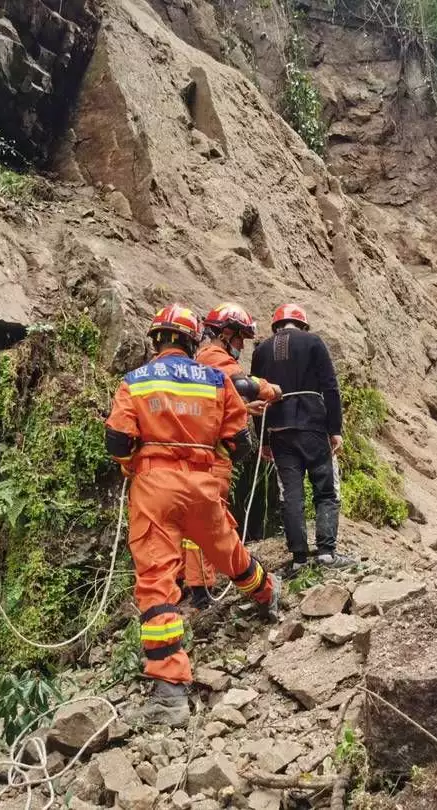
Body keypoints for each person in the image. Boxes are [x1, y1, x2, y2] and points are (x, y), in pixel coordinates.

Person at [105, 304, 279, 726]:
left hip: (153, 488)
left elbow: (117, 441)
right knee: (228, 552)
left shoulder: (134, 382)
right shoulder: (217, 379)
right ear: (192, 340)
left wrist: (138, 463)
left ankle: (170, 693)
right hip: (203, 484)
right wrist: (204, 458)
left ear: (157, 340)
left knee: (156, 583)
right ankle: (268, 594)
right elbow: (239, 441)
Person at [180, 303, 282, 608]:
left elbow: (221, 400)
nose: (241, 346)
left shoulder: (199, 362)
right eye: (239, 339)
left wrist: (244, 408)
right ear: (226, 333)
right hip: (213, 458)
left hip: (201, 455)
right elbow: (239, 383)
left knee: (196, 524)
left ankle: (193, 585)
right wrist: (268, 389)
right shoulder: (214, 356)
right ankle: (209, 590)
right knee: (212, 524)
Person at [251, 303, 356, 575]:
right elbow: (330, 387)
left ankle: (298, 559)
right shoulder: (313, 342)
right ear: (302, 324)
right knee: (325, 489)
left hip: (278, 431)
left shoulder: (261, 350)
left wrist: (262, 439)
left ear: (276, 325)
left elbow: (256, 396)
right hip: (312, 425)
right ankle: (326, 554)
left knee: (291, 494)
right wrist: (335, 429)